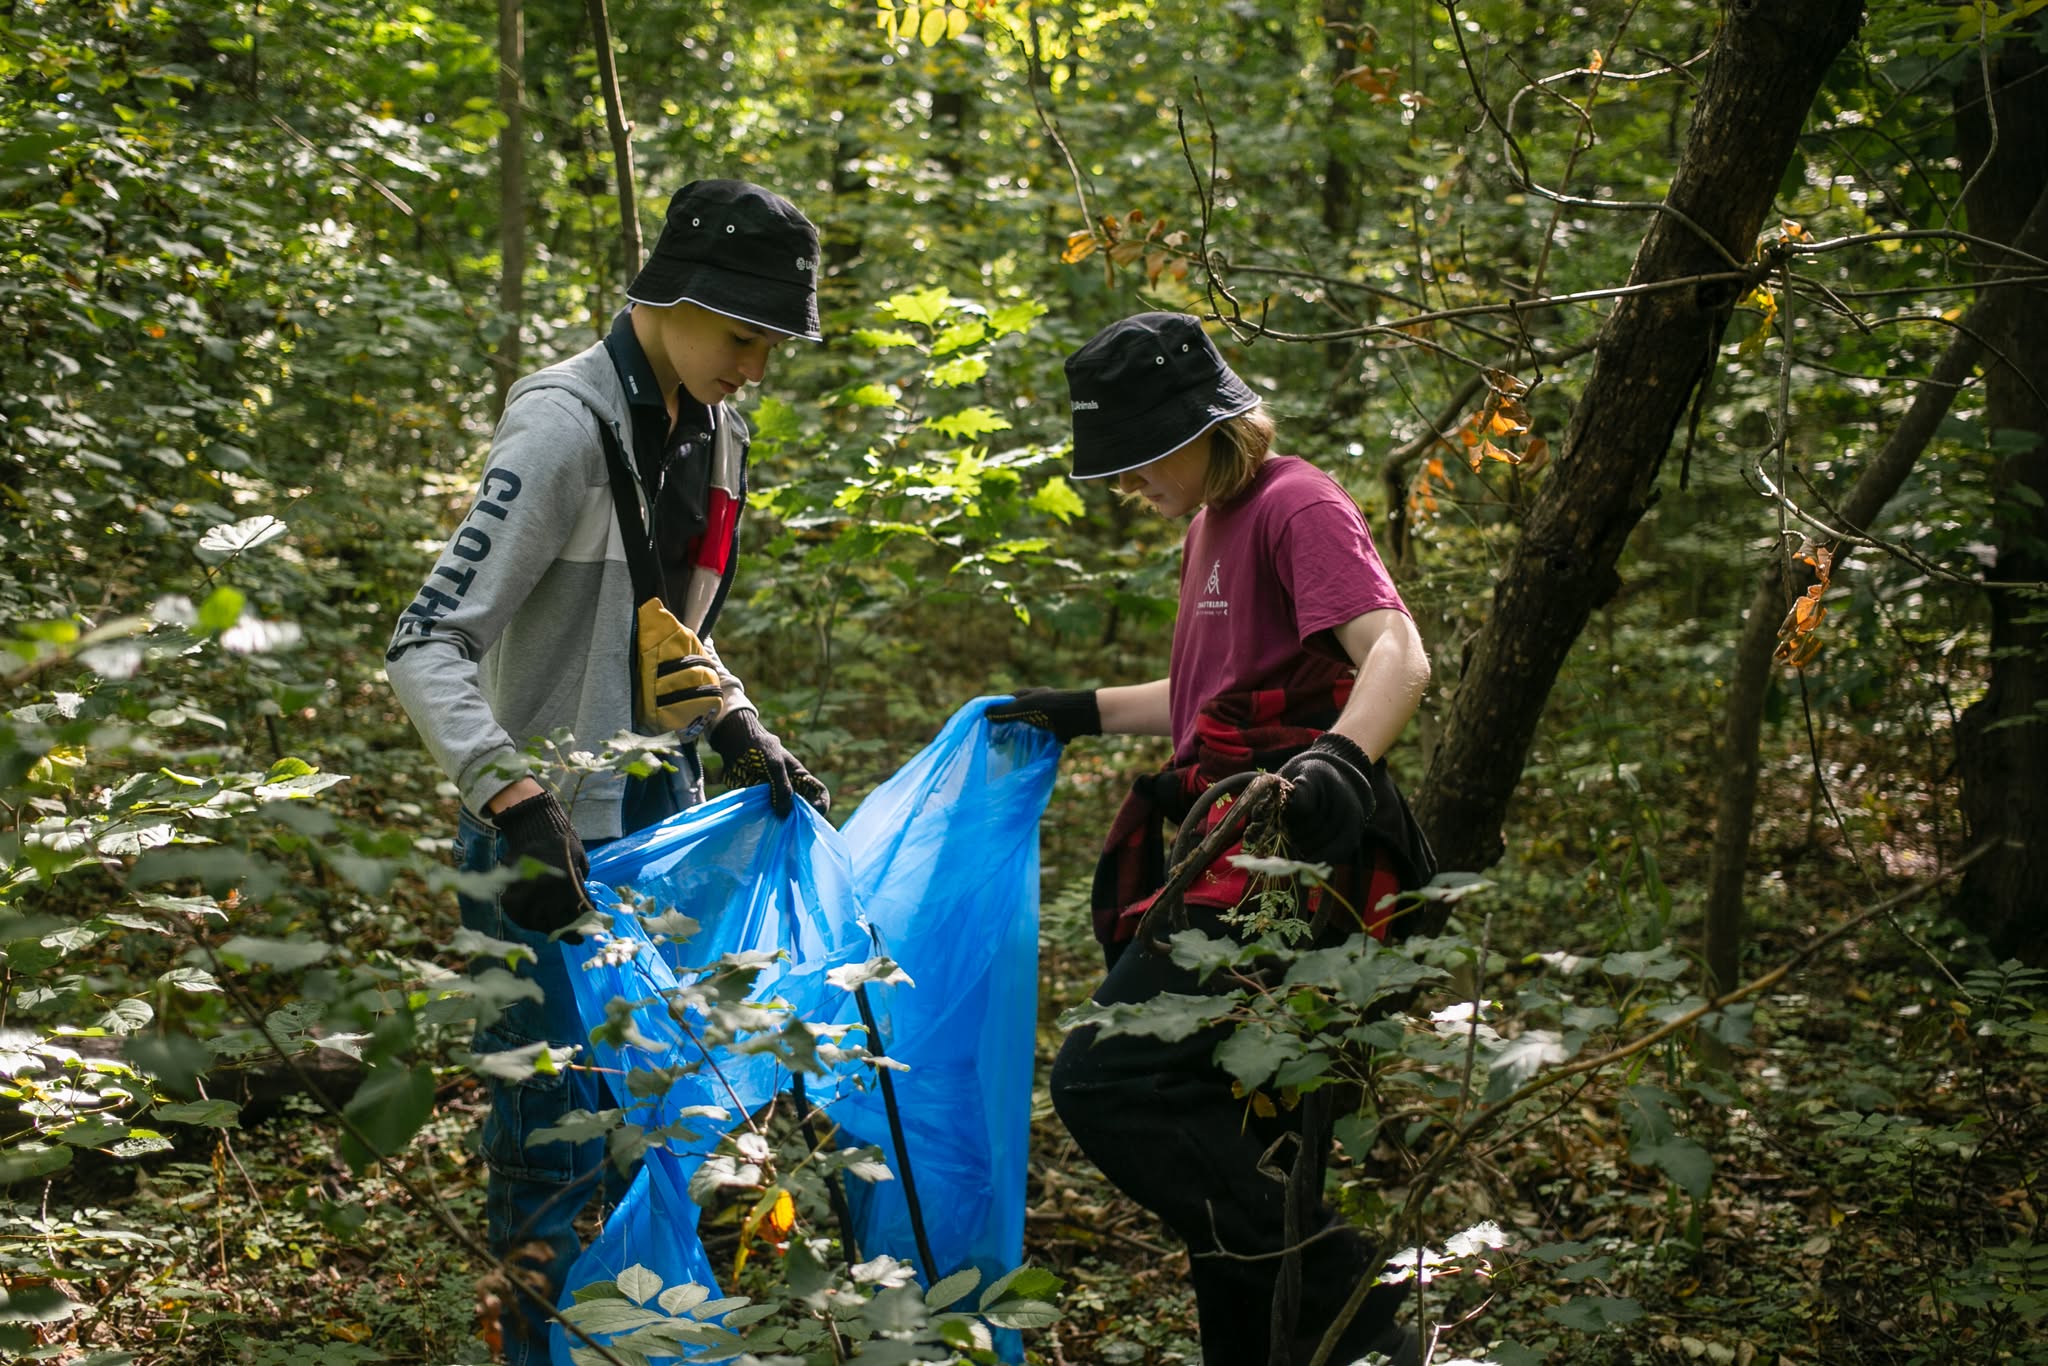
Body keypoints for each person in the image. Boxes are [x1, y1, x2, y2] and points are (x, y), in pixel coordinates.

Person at [385, 179, 830, 1364]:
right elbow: (423, 642)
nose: (757, 367)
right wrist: (512, 797)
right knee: (548, 1135)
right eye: (745, 336)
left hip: (662, 822)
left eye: (773, 344)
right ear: (673, 301)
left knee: (693, 1116)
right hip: (542, 836)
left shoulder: (719, 423)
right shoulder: (560, 427)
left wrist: (737, 725)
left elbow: (665, 624)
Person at [989, 312, 1435, 1366]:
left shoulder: (1294, 502)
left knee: (1108, 1079)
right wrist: (1073, 707)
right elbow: (1203, 699)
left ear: (1203, 429)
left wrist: (1337, 760)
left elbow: (1399, 654)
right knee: (1221, 1145)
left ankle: (1357, 1312)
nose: (1123, 484)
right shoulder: (1207, 526)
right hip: (1227, 836)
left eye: (1138, 459)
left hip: (1294, 849)